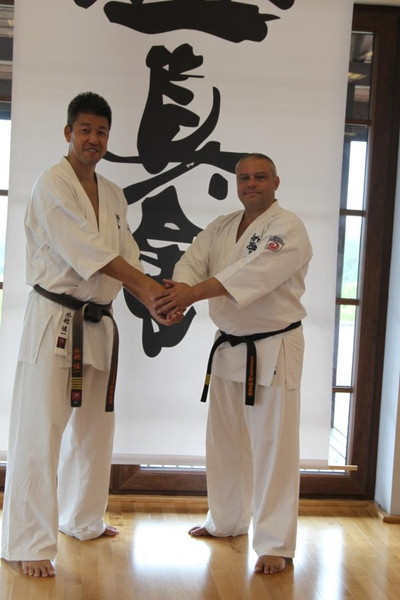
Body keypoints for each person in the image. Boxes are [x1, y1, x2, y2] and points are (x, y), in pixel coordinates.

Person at [1, 92, 179, 578]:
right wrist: (149, 289)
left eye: (101, 131)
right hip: (56, 320)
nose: (93, 139)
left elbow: (127, 255)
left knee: (95, 431)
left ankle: (82, 520)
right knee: (40, 431)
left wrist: (154, 301)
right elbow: (89, 252)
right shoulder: (52, 184)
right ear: (68, 133)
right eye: (85, 130)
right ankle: (26, 542)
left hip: (99, 323)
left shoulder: (114, 193)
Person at [153, 153, 313, 574]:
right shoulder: (223, 226)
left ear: (276, 182)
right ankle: (225, 521)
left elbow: (253, 273)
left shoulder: (288, 228)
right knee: (224, 440)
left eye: (260, 177)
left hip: (273, 346)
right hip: (228, 346)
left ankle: (275, 543)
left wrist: (190, 296)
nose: (251, 184)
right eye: (244, 178)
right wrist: (178, 291)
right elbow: (194, 259)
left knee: (273, 447)